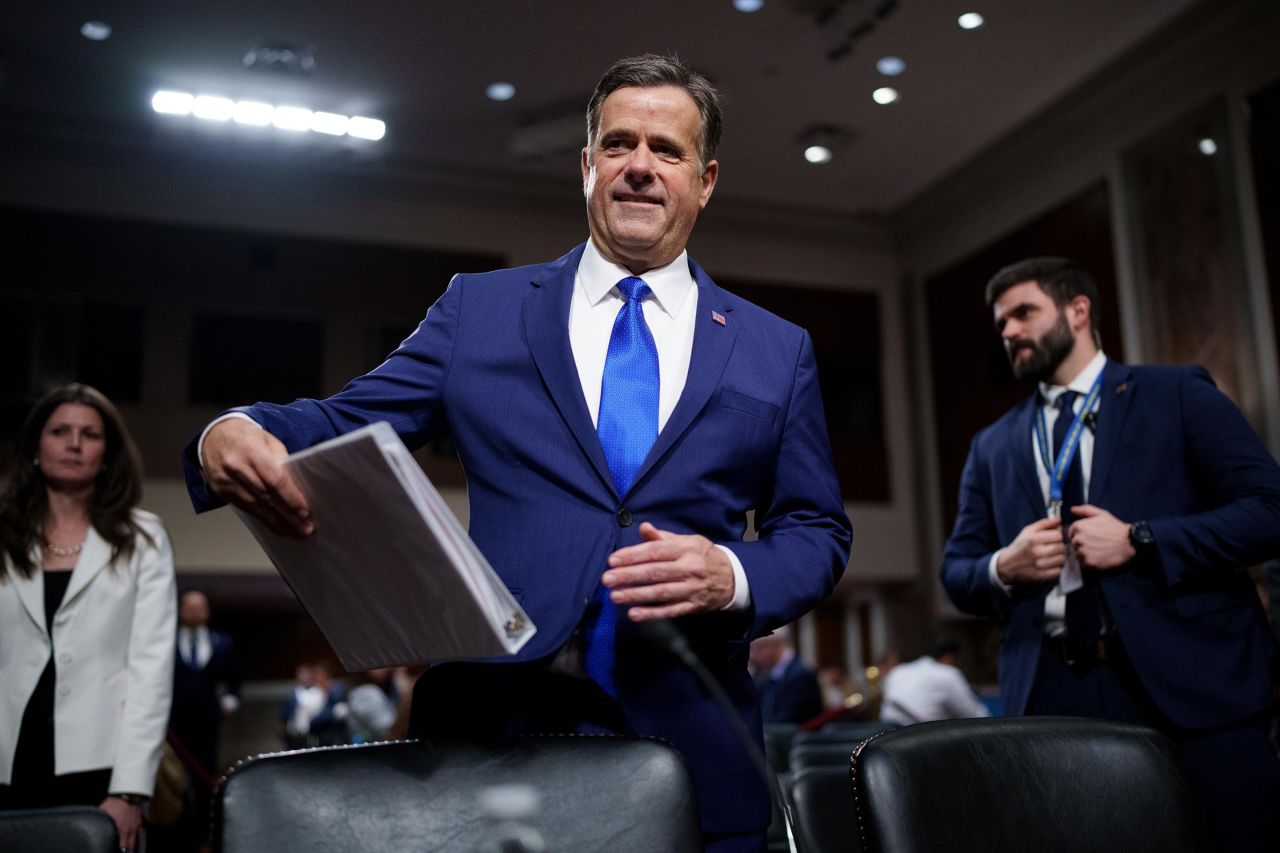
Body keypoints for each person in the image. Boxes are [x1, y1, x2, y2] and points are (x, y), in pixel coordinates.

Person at [183, 54, 851, 851]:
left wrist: (734, 573)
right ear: (586, 166)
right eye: (619, 144)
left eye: (666, 151)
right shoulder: (480, 311)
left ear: (704, 180)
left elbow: (817, 527)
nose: (640, 166)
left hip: (693, 742)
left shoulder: (776, 350)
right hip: (489, 737)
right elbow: (345, 419)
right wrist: (226, 429)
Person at [940, 257, 1280, 852]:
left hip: (1188, 685)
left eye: (1024, 313)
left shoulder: (1174, 395)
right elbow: (956, 571)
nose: (1010, 332)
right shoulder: (992, 445)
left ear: (1079, 311)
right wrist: (1004, 565)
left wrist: (1141, 539)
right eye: (1001, 325)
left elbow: (1268, 510)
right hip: (1050, 692)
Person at [0, 384, 177, 852]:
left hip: (100, 766)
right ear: (36, 447)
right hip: (7, 756)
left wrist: (129, 790)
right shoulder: (3, 535)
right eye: (60, 431)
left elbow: (151, 670)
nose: (74, 443)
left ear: (108, 453)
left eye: (90, 434)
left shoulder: (143, 537)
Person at [169, 589, 241, 847]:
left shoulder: (221, 642)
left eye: (201, 606)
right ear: (180, 610)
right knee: (174, 781)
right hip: (173, 728)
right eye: (190, 606)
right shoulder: (166, 641)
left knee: (205, 779)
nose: (196, 611)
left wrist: (228, 704)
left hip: (208, 724)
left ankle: (204, 836)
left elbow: (234, 680)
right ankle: (177, 836)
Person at [879, 640, 990, 725]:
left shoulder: (898, 671)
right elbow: (973, 715)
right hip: (917, 740)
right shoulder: (947, 673)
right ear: (949, 657)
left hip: (885, 736)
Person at [749, 628, 824, 725]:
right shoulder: (763, 675)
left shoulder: (801, 676)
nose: (752, 656)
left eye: (757, 649)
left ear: (774, 646)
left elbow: (788, 719)